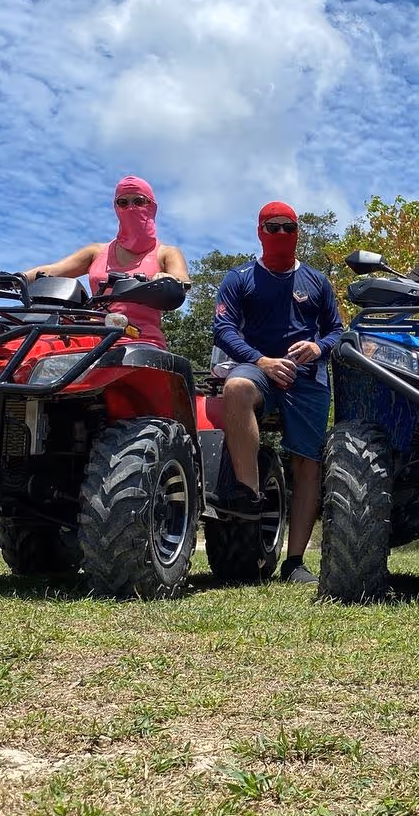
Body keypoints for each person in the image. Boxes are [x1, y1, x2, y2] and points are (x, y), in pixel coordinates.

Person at [211, 201, 344, 585]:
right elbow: (224, 329)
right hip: (259, 368)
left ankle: (295, 561)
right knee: (235, 387)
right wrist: (262, 361)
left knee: (307, 464)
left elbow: (336, 330)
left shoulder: (317, 281)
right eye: (273, 227)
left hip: (307, 379)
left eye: (289, 227)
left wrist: (318, 348)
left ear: (298, 232)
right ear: (259, 231)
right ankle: (250, 504)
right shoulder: (239, 278)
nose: (282, 234)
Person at [19, 176, 190, 348]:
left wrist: (168, 280)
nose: (130, 208)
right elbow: (53, 270)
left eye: (139, 201)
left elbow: (181, 281)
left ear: (151, 206)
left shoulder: (167, 253)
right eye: (123, 202)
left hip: (141, 340)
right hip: (92, 338)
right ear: (116, 208)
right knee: (37, 351)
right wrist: (17, 278)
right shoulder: (96, 252)